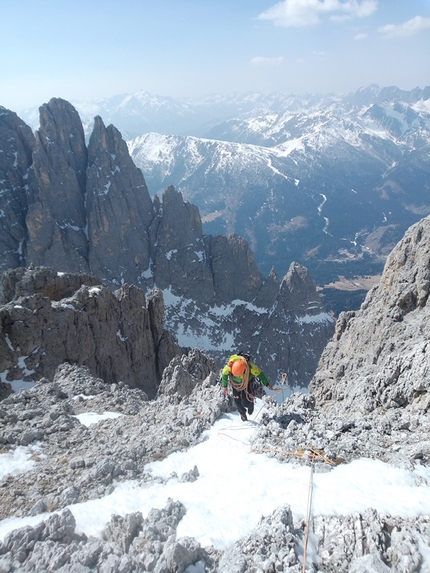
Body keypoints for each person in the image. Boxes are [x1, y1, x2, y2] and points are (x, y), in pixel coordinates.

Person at [221, 353, 274, 421]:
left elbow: (260, 374)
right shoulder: (230, 365)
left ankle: (250, 403)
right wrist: (224, 386)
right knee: (237, 400)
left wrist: (267, 384)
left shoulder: (250, 367)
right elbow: (224, 374)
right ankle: (243, 414)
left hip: (247, 383)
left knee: (245, 402)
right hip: (235, 384)